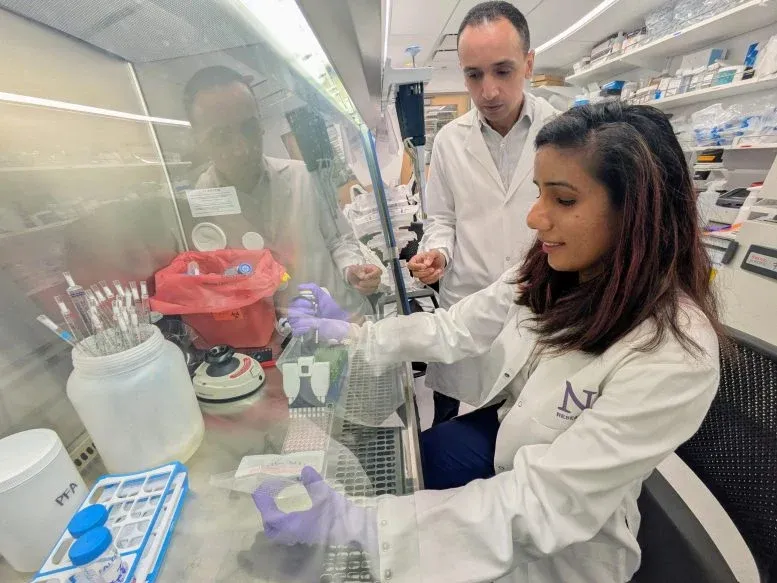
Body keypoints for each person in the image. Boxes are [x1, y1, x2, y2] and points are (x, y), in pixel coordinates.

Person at [254, 103, 723, 583]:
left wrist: (363, 528)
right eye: (538, 193)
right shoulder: (549, 271)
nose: (535, 217)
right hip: (508, 439)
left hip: (564, 545)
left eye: (563, 201)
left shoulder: (675, 352)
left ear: (636, 210)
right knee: (420, 467)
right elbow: (457, 327)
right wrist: (357, 336)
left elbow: (543, 503)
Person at [407, 1, 558, 424]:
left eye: (502, 70)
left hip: (538, 304)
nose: (488, 90)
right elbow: (442, 219)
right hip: (467, 300)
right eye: (473, 75)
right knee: (447, 416)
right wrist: (438, 253)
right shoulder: (450, 141)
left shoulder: (564, 134)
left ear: (529, 63)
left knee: (524, 421)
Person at [182, 66, 380, 314]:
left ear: (261, 124)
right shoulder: (199, 204)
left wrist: (352, 269)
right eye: (221, 136)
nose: (241, 148)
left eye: (249, 129)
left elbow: (339, 240)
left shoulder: (303, 177)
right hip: (276, 339)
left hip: (343, 320)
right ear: (197, 139)